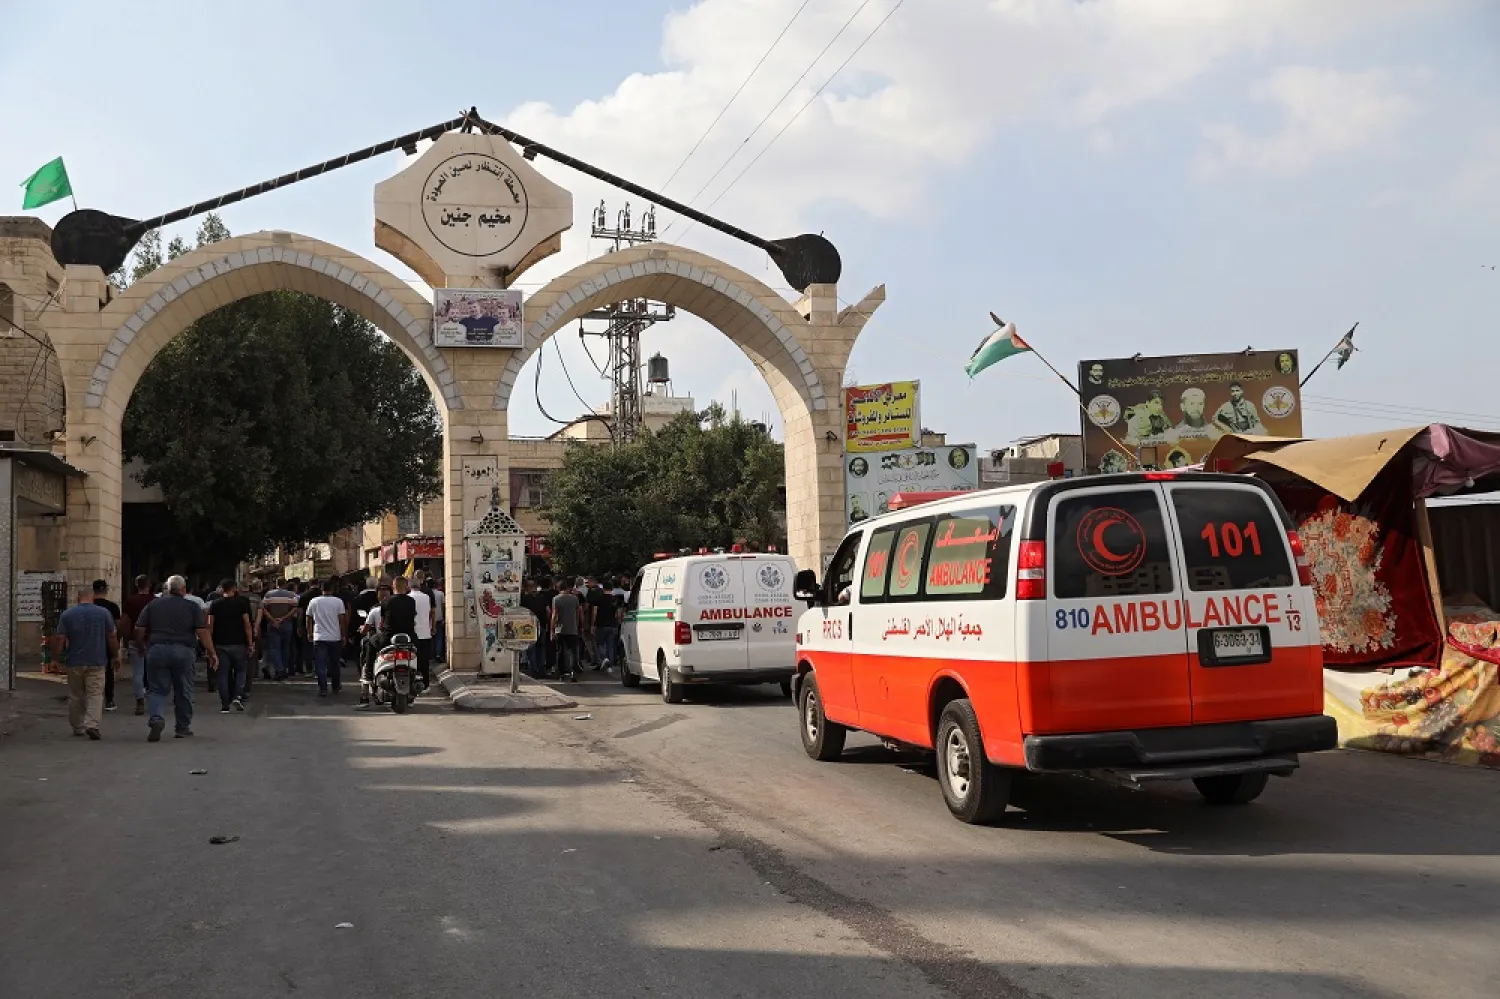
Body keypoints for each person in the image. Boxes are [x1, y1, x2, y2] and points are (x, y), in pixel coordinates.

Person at [136, 575, 215, 742]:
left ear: (167, 588)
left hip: (157, 649)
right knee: (184, 689)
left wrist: (142, 646)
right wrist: (212, 652)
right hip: (183, 650)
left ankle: (156, 718)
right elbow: (202, 631)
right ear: (184, 590)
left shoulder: (153, 604)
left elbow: (139, 628)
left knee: (156, 689)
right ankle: (182, 727)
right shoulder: (192, 606)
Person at [52, 587, 119, 740]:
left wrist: (55, 659)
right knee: (95, 694)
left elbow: (59, 638)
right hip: (97, 660)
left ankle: (78, 727)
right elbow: (111, 636)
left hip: (74, 661)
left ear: (78, 598)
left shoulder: (67, 614)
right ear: (93, 597)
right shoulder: (104, 613)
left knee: (76, 695)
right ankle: (92, 725)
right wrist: (115, 655)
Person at [208, 578, 254, 713]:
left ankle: (224, 704)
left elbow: (210, 625)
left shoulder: (215, 604)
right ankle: (238, 695)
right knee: (240, 671)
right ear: (234, 588)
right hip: (239, 643)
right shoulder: (241, 603)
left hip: (220, 643)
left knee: (223, 673)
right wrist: (250, 643)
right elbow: (247, 624)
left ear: (222, 589)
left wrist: (209, 646)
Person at [307, 576, 348, 697]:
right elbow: (342, 621)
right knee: (334, 663)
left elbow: (308, 618)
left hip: (319, 637)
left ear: (321, 588)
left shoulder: (314, 601)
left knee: (320, 664)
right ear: (333, 589)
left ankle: (323, 688)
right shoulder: (338, 601)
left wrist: (309, 632)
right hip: (335, 637)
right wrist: (344, 635)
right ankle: (335, 685)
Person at [121, 575, 155, 716]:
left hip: (135, 639)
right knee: (154, 673)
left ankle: (139, 701)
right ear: (149, 585)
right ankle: (154, 700)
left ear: (136, 585)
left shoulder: (130, 601)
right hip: (153, 640)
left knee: (137, 672)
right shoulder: (154, 601)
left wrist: (124, 638)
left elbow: (125, 621)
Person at [90, 579, 124, 712]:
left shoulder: (88, 605)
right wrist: (117, 643)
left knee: (91, 670)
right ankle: (109, 700)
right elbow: (117, 626)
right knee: (108, 671)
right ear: (106, 590)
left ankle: (91, 699)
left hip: (90, 642)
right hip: (107, 642)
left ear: (93, 590)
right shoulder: (113, 607)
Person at [357, 582, 393, 706]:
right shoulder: (398, 607)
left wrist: (362, 630)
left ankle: (364, 695)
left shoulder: (375, 610)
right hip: (397, 642)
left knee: (366, 663)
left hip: (379, 643)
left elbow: (365, 629)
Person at [258, 580, 298, 680]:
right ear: (285, 585)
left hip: (272, 624)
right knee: (285, 648)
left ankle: (278, 669)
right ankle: (284, 669)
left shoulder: (268, 595)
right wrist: (283, 618)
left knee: (274, 648)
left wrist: (272, 619)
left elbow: (263, 609)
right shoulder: (291, 595)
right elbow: (294, 608)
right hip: (286, 624)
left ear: (276, 584)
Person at [551, 577, 584, 682]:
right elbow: (579, 614)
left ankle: (561, 673)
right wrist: (579, 626)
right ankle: (573, 672)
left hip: (560, 629)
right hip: (572, 629)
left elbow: (554, 616)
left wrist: (552, 630)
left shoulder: (556, 599)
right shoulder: (575, 599)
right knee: (572, 651)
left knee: (560, 652)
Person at [408, 575, 435, 688]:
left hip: (412, 634)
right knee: (424, 661)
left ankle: (413, 684)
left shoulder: (408, 598)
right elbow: (431, 613)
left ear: (409, 586)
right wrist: (433, 627)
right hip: (425, 632)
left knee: (412, 660)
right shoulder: (426, 597)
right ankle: (425, 684)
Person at [589, 575, 619, 672]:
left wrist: (593, 624)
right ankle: (610, 665)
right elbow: (618, 614)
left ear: (603, 588)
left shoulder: (599, 599)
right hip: (612, 624)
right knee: (610, 645)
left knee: (600, 643)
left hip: (601, 624)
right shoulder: (615, 599)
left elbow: (594, 612)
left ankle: (605, 658)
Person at [296, 581, 320, 676]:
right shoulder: (322, 595)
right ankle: (320, 668)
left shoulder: (304, 596)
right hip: (321, 624)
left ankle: (310, 669)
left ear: (309, 585)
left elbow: (300, 613)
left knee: (308, 648)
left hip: (307, 624)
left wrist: (299, 626)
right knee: (321, 648)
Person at [245, 579, 264, 687]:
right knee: (254, 650)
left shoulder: (239, 597)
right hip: (253, 624)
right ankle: (253, 672)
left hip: (242, 625)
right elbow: (260, 614)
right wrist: (256, 627)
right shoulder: (257, 598)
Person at [430, 577, 447, 664]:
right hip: (439, 618)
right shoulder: (440, 594)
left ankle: (432, 654)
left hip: (430, 619)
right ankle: (438, 654)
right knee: (439, 637)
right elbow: (443, 606)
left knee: (431, 637)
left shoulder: (427, 594)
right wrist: (444, 617)